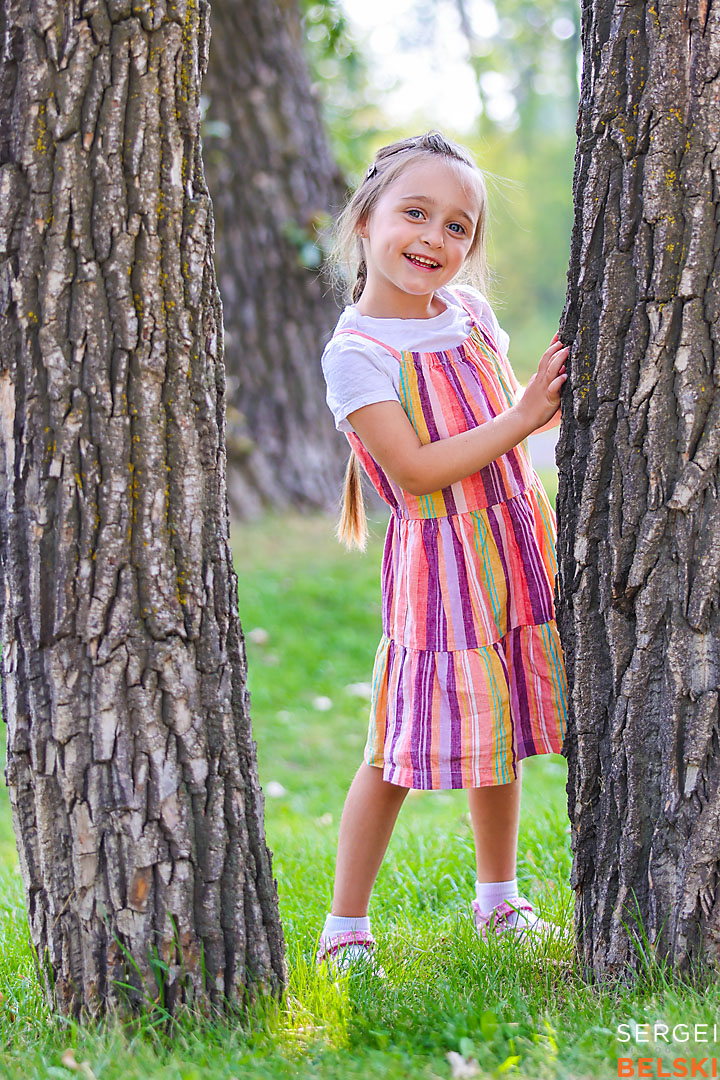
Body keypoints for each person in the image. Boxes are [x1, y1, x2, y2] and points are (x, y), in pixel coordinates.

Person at [317, 131, 569, 974]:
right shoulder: (358, 353)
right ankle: (345, 925)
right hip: (440, 569)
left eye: (458, 226)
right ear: (366, 220)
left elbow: (507, 424)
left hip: (513, 541)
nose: (435, 238)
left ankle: (500, 898)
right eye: (415, 213)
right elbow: (418, 471)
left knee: (499, 722)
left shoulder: (469, 315)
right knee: (395, 746)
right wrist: (525, 416)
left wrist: (547, 406)